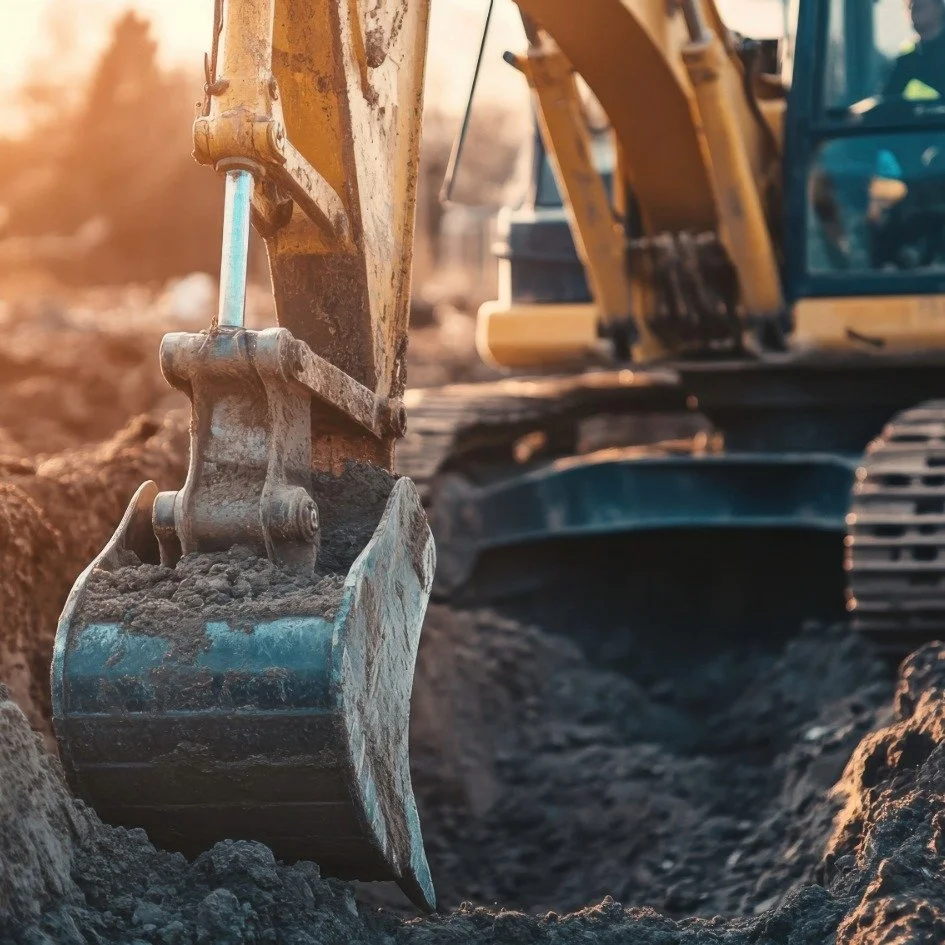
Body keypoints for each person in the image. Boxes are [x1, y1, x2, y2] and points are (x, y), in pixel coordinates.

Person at [882, 0, 945, 100]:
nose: (914, 10)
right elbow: (886, 99)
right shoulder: (907, 61)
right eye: (910, 6)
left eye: (920, 6)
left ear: (939, 7)